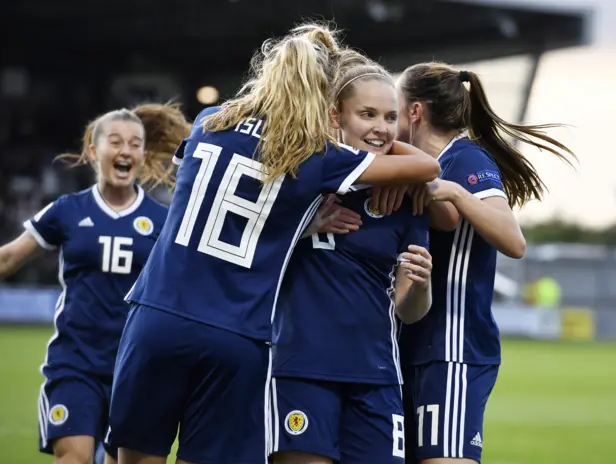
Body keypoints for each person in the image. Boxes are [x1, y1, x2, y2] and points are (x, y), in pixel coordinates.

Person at [107, 23, 440, 464]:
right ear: (327, 103)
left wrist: (297, 224)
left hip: (159, 314)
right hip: (238, 333)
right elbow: (427, 167)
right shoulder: (316, 156)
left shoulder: (211, 120)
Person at [0, 103, 190, 464]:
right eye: (116, 142)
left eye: (135, 144)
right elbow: (10, 257)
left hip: (134, 367)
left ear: (143, 153)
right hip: (74, 363)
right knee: (73, 458)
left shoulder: (162, 221)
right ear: (94, 150)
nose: (126, 151)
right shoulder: (67, 210)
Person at [395, 62, 575, 464]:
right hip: (406, 349)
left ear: (415, 111)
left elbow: (514, 241)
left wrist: (457, 194)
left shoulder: (466, 160)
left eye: (395, 103)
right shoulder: (407, 167)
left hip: (452, 350)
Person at [270, 50, 435, 464]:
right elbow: (247, 252)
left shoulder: (405, 198)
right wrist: (302, 227)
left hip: (376, 376)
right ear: (334, 118)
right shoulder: (298, 177)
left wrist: (421, 282)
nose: (381, 129)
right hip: (299, 367)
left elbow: (410, 311)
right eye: (367, 114)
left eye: (390, 117)